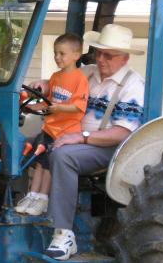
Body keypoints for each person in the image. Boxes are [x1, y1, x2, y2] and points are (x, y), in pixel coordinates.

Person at [31, 24, 145, 261]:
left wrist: (80, 137)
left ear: (124, 58)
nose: (101, 59)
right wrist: (44, 83)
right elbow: (62, 82)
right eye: (99, 52)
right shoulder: (88, 72)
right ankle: (35, 200)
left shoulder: (133, 86)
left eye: (109, 55)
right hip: (75, 137)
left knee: (63, 156)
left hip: (109, 148)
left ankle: (63, 232)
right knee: (32, 143)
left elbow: (121, 134)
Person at [15, 33, 89, 216]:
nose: (57, 57)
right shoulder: (55, 77)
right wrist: (30, 108)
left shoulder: (80, 79)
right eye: (55, 53)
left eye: (62, 54)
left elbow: (79, 107)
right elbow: (47, 104)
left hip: (65, 133)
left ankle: (43, 198)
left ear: (76, 55)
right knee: (39, 163)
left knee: (48, 165)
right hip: (49, 128)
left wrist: (60, 108)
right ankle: (32, 195)